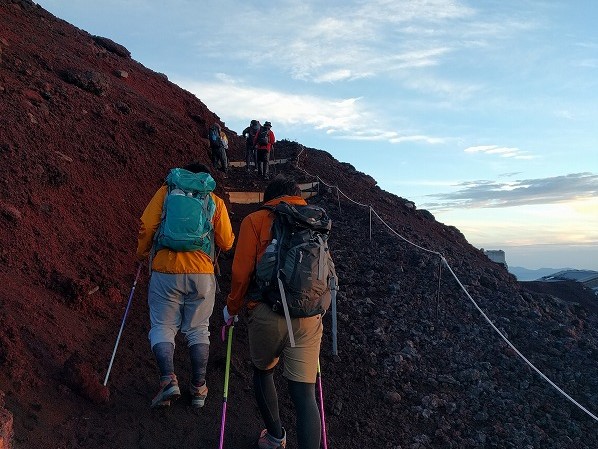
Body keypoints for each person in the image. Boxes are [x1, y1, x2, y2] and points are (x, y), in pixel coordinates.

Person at [224, 175, 323, 449]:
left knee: (263, 372)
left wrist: (231, 309)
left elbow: (241, 273)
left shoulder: (255, 220)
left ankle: (275, 436)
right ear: (297, 196)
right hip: (308, 316)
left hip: (267, 312)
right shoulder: (315, 222)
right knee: (305, 394)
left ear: (270, 198)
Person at [137, 161, 235, 409]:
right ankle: (199, 388)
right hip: (202, 272)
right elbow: (226, 241)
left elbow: (147, 226)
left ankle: (168, 380)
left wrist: (142, 253)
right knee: (198, 329)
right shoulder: (213, 199)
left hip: (165, 270)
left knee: (162, 326)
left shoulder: (166, 192)